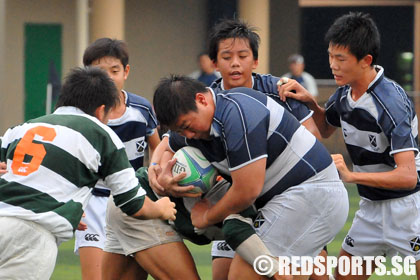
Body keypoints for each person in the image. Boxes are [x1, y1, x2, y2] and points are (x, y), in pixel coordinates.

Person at [152, 75, 349, 279]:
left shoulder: (237, 113)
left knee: (244, 273)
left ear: (202, 100)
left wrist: (207, 216)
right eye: (180, 130)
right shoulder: (199, 122)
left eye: (187, 126)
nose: (188, 135)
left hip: (311, 193)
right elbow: (168, 145)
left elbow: (247, 191)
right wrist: (157, 170)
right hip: (291, 200)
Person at [279, 12, 420, 280]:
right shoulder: (343, 94)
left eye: (340, 58)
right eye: (331, 56)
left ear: (366, 60)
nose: (333, 65)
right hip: (370, 209)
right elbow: (324, 127)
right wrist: (310, 102)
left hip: (409, 210)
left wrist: (351, 176)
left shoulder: (391, 103)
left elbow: (408, 176)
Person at [0, 67, 176, 280]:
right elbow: (132, 203)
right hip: (33, 236)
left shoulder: (21, 128)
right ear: (102, 110)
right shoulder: (102, 135)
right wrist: (160, 209)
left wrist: (67, 208)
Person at [207, 18, 329, 280]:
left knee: (315, 275)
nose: (236, 63)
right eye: (227, 57)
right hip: (236, 204)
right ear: (215, 64)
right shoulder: (206, 102)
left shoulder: (280, 91)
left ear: (255, 60)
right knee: (223, 274)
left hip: (289, 200)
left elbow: (313, 141)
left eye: (243, 55)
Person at [73, 38, 161, 280]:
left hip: (131, 201)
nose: (109, 78)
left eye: (115, 71)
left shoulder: (142, 109)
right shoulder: (81, 115)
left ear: (126, 71)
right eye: (102, 73)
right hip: (93, 202)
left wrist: (154, 175)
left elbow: (159, 148)